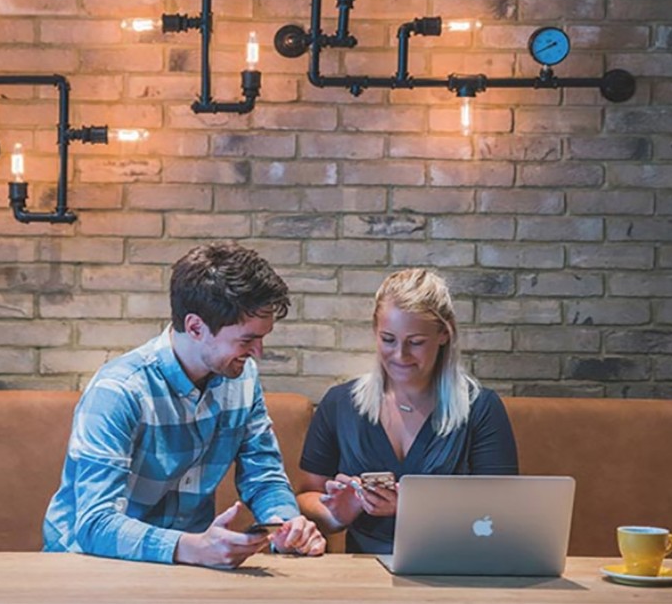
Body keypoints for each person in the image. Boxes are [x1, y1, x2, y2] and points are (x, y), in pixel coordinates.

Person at [43, 241, 326, 568]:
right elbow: (94, 524)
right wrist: (192, 548)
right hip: (88, 566)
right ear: (195, 327)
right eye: (247, 339)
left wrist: (287, 526)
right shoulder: (119, 391)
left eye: (262, 337)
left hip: (188, 570)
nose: (258, 352)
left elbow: (263, 477)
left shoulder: (242, 378)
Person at [297, 268, 518, 554]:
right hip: (362, 574)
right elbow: (305, 498)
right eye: (388, 339)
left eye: (415, 342)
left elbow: (503, 514)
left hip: (454, 571)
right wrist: (339, 511)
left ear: (444, 335)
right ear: (375, 332)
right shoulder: (340, 404)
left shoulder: (481, 409)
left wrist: (413, 508)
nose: (400, 355)